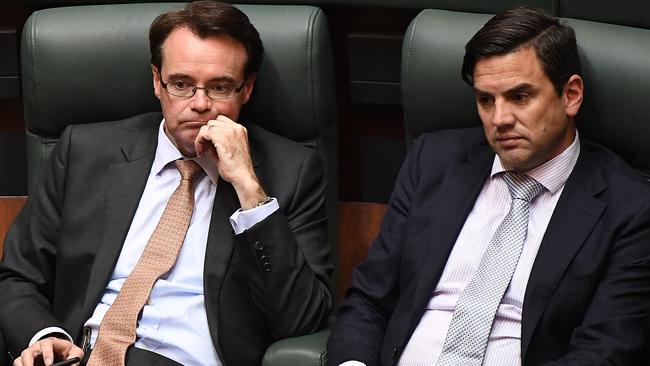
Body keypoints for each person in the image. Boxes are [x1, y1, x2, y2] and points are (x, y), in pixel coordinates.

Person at [0, 1, 332, 365]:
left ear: (247, 89)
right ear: (157, 82)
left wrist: (249, 189)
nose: (200, 103)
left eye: (220, 87)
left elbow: (302, 318)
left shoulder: (290, 173)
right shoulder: (84, 151)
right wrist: (45, 336)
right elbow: (17, 276)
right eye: (181, 84)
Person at [328, 7, 650, 366]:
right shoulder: (433, 161)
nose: (500, 119)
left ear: (571, 94)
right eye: (486, 100)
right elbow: (368, 301)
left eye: (520, 97)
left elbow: (606, 352)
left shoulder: (630, 207)